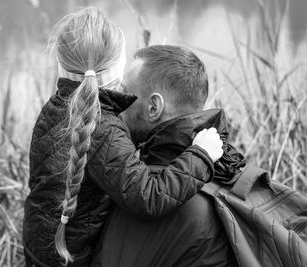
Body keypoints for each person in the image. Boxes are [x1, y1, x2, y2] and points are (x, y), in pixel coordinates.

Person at [23, 8, 224, 267]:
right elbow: (148, 196)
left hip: (39, 245)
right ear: (117, 68)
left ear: (61, 64)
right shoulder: (104, 128)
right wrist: (201, 155)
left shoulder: (53, 109)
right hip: (72, 257)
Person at [91, 45, 244, 267]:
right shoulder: (228, 167)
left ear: (154, 107)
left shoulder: (147, 200)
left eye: (124, 92)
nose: (117, 103)